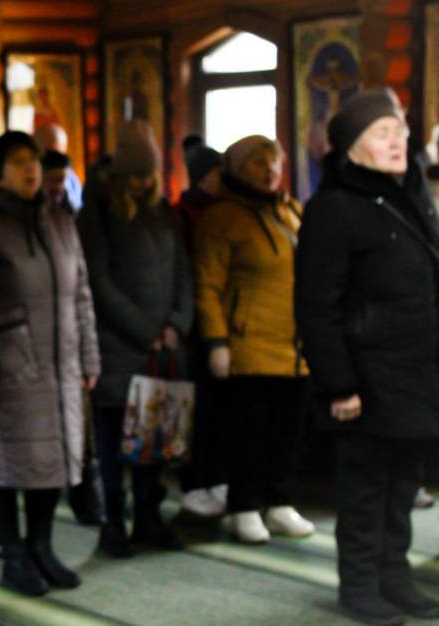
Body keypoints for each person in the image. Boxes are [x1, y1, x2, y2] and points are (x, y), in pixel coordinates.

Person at [296, 88, 439, 625]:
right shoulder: (333, 209)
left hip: (413, 373)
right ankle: (359, 587)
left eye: (400, 130)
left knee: (403, 487)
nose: (399, 140)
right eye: (383, 133)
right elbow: (316, 306)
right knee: (364, 493)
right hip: (364, 379)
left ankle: (394, 578)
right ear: (352, 147)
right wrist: (338, 385)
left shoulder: (408, 195)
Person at [0, 131, 100, 596]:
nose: (31, 169)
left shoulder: (60, 221)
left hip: (61, 363)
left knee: (48, 461)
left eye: (34, 160)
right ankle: (14, 556)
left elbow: (81, 295)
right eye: (18, 161)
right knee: (5, 461)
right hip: (7, 365)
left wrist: (88, 356)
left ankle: (42, 548)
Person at [77, 120, 192, 557]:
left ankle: (148, 516)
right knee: (113, 444)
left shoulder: (163, 210)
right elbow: (99, 281)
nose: (145, 183)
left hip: (161, 347)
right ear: (122, 174)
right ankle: (113, 523)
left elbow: (184, 270)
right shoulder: (99, 213)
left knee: (154, 439)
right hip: (118, 348)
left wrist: (177, 324)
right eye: (138, 175)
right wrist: (146, 331)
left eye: (150, 174)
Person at [194, 135, 314, 544]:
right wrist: (216, 341)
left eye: (275, 162)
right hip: (247, 345)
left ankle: (279, 502)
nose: (270, 171)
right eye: (258, 163)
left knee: (287, 431)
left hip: (294, 345)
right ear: (237, 169)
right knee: (247, 433)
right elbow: (207, 285)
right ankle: (244, 507)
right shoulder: (223, 218)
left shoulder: (291, 211)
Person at [176, 142, 228, 519]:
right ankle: (196, 483)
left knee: (221, 411)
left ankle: (218, 479)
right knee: (200, 411)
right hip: (196, 329)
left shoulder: (228, 211)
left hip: (223, 325)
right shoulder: (185, 215)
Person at [33, 122, 83, 212]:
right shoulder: (31, 176)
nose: (58, 156)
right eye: (53, 150)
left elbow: (78, 207)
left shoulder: (71, 178)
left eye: (62, 150)